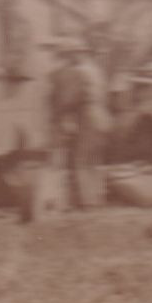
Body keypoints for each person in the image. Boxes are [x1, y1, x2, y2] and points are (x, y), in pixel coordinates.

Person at [48, 38, 112, 210]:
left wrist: (59, 113)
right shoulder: (96, 70)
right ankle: (99, 198)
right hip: (103, 115)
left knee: (81, 161)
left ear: (77, 54)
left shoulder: (78, 72)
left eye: (69, 55)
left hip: (88, 116)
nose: (68, 58)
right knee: (95, 160)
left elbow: (68, 99)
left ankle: (88, 202)